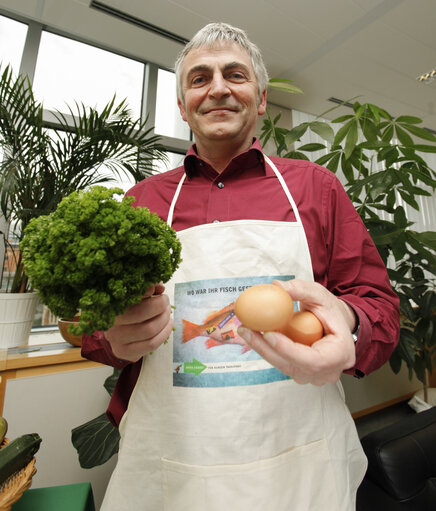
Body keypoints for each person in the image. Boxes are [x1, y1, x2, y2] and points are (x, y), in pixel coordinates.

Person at [82, 22, 400, 511]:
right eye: (199, 78)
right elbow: (95, 325)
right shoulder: (140, 202)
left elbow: (379, 305)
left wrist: (349, 323)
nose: (218, 88)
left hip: (300, 459)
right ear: (184, 104)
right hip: (172, 460)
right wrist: (111, 337)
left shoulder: (316, 189)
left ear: (262, 98)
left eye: (235, 74)